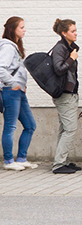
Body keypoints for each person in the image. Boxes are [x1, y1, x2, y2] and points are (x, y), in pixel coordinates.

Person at [1, 17, 37, 171]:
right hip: (11, 92)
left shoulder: (15, 46)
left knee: (30, 125)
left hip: (19, 92)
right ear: (12, 29)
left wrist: (22, 85)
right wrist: (13, 84)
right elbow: (1, 68)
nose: (24, 30)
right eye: (21, 27)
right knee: (10, 126)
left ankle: (21, 158)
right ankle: (8, 161)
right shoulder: (8, 47)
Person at [50, 18, 81, 174]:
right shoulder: (60, 48)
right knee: (70, 129)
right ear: (64, 33)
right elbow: (58, 68)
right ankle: (59, 164)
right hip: (64, 95)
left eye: (76, 30)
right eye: (72, 31)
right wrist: (72, 59)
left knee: (64, 129)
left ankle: (63, 161)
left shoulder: (68, 47)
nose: (76, 33)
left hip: (70, 94)